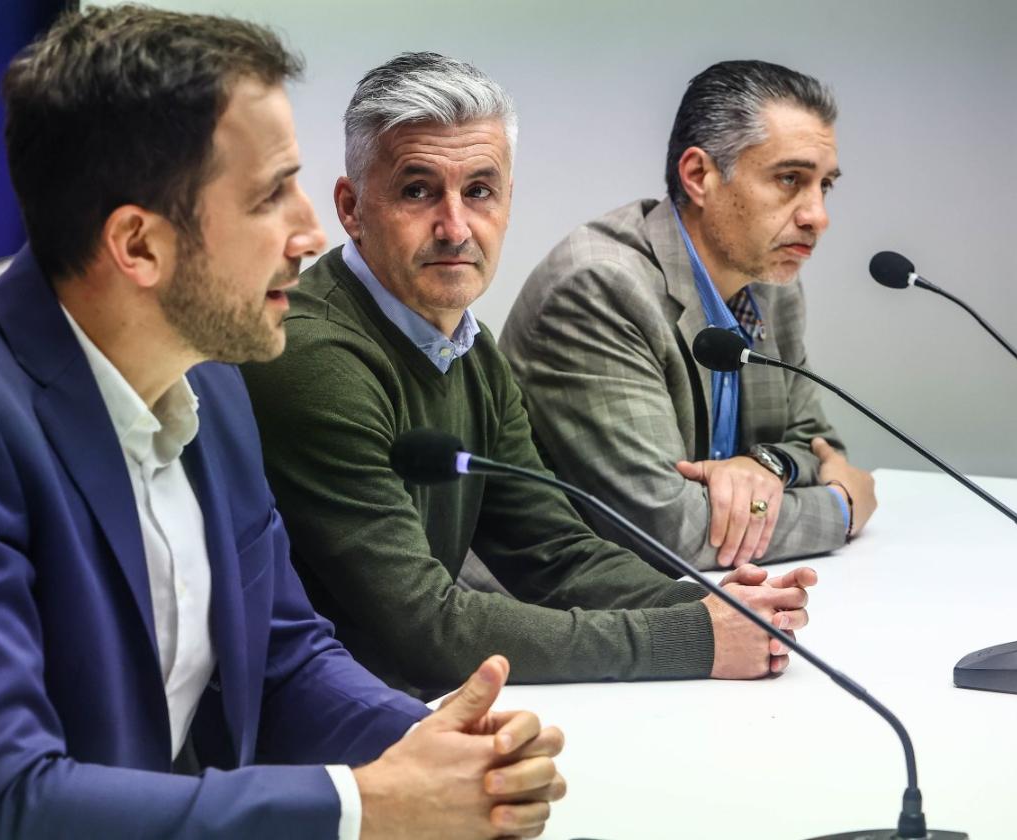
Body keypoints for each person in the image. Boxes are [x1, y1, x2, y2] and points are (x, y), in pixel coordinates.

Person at [0, 10, 565, 839]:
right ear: (139, 246)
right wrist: (363, 805)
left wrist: (438, 749)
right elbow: (4, 800)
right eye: (269, 196)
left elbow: (285, 656)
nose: (310, 233)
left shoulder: (212, 371)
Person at [241, 52, 817, 699]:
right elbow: (423, 627)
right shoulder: (316, 357)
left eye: (479, 191)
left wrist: (707, 602)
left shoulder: (467, 347)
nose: (455, 227)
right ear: (352, 208)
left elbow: (552, 550)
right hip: (334, 740)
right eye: (417, 190)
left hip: (419, 712)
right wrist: (691, 636)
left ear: (508, 202)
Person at [501, 60, 878, 571]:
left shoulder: (769, 282)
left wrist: (766, 464)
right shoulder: (600, 287)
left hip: (716, 592)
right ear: (699, 176)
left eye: (824, 185)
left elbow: (817, 442)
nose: (818, 216)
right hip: (574, 610)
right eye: (790, 179)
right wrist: (842, 507)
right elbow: (668, 529)